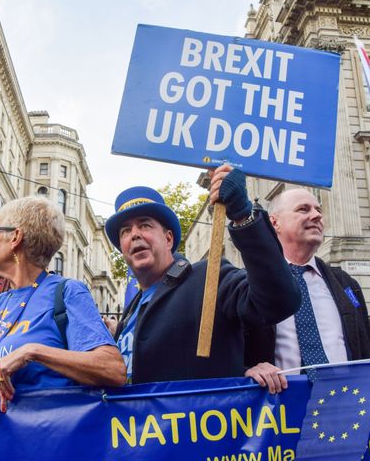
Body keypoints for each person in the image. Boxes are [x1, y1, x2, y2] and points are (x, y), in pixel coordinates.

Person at [106, 165, 301, 384]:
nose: (134, 235)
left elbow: (278, 301)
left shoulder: (209, 277)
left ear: (168, 239)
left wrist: (243, 217)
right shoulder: (130, 312)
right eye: (125, 231)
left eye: (145, 225)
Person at [244, 188, 370, 394]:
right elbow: (231, 354)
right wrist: (249, 370)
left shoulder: (346, 284)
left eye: (318, 209)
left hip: (347, 406)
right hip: (281, 410)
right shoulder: (250, 285)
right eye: (303, 209)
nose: (316, 215)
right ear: (274, 223)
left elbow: (366, 351)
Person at [0, 196, 125, 419]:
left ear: (15, 237)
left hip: (46, 438)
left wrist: (34, 352)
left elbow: (113, 369)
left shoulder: (67, 291)